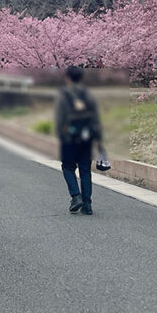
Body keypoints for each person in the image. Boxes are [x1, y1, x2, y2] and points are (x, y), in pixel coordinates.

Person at [55, 65, 104, 215]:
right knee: (85, 170)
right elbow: (95, 117)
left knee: (68, 167)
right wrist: (99, 138)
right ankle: (87, 205)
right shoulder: (88, 94)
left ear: (68, 77)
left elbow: (60, 117)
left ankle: (76, 196)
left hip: (70, 137)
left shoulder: (64, 94)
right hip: (86, 136)